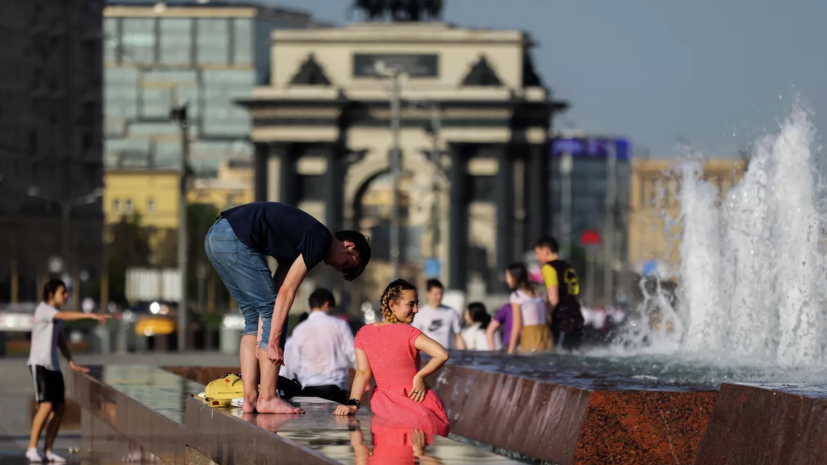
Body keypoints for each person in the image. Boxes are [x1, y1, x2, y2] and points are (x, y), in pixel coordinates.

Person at [204, 201, 371, 414]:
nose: (339, 268)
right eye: (347, 263)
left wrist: (263, 337)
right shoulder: (320, 239)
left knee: (254, 317)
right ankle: (268, 398)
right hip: (234, 238)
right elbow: (286, 293)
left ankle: (250, 399)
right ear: (349, 245)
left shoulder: (301, 241)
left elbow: (278, 287)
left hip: (216, 237)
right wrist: (272, 341)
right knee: (274, 313)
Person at [333, 279, 450, 437]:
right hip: (418, 407)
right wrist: (420, 377)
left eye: (416, 304)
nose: (416, 310)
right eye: (411, 304)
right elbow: (442, 354)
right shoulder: (409, 333)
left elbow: (362, 372)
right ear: (392, 305)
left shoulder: (363, 333)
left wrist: (353, 405)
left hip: (385, 405)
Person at [27, 279, 110, 463]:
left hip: (53, 365)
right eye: (62, 292)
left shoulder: (56, 316)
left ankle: (48, 450)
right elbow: (65, 316)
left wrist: (71, 362)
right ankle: (31, 448)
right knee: (46, 406)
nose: (66, 295)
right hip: (39, 364)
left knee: (60, 408)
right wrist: (91, 315)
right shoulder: (44, 310)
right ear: (51, 295)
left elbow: (60, 341)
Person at [279, 288, 356, 404]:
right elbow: (354, 354)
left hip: (308, 388)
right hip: (336, 388)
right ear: (327, 304)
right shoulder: (340, 325)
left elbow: (294, 364)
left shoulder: (299, 329)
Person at [534, 236, 584, 350]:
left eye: (538, 253)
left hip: (562, 320)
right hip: (577, 318)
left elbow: (553, 299)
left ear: (546, 250)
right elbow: (576, 294)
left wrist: (546, 317)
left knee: (559, 359)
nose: (537, 258)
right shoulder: (569, 267)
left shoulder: (548, 267)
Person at [506, 263, 553, 354]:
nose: (506, 279)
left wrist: (510, 351)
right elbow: (548, 319)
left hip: (531, 334)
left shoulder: (517, 296)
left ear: (514, 277)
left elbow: (516, 325)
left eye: (507, 276)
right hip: (546, 334)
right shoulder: (538, 293)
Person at [411, 279, 466, 350]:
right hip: (427, 355)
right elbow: (415, 337)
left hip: (448, 354)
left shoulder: (451, 312)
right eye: (436, 294)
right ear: (428, 294)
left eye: (441, 294)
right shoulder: (419, 314)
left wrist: (462, 353)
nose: (439, 297)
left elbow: (458, 336)